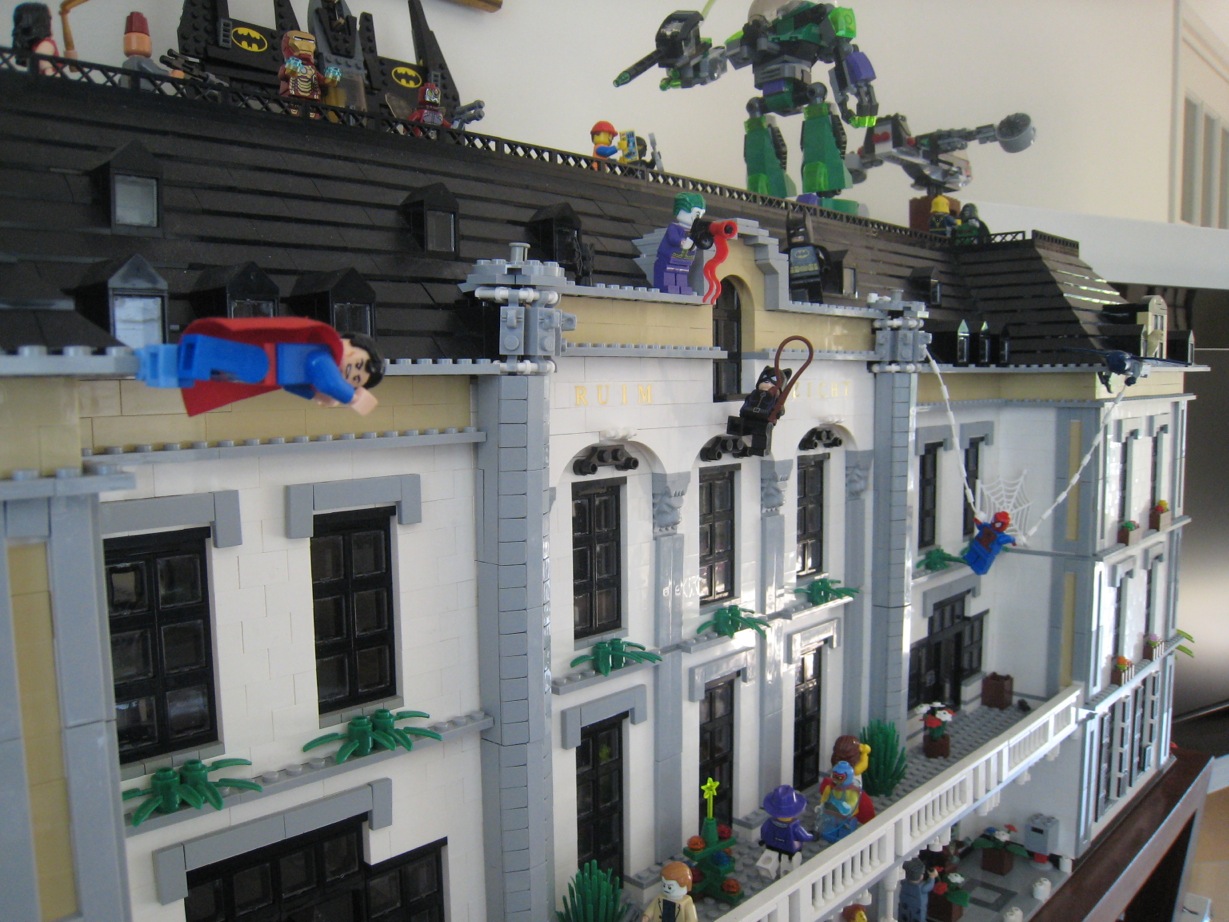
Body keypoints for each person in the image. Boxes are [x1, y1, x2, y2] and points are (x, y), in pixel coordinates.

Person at [135, 317, 383, 416]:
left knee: (215, 370)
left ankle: (171, 367)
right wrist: (352, 398)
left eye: (356, 379)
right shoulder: (323, 357)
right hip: (262, 363)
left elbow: (291, 386)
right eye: (358, 364)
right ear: (348, 343)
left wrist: (314, 395)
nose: (352, 372)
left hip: (263, 374)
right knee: (216, 358)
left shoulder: (319, 366)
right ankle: (167, 362)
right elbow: (327, 379)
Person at [654, 192, 706, 294]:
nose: (698, 218)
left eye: (701, 214)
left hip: (684, 260)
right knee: (669, 273)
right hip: (668, 258)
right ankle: (668, 286)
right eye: (697, 213)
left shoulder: (694, 231)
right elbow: (673, 238)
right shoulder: (674, 227)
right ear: (682, 210)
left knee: (682, 273)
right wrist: (681, 242)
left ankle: (682, 287)